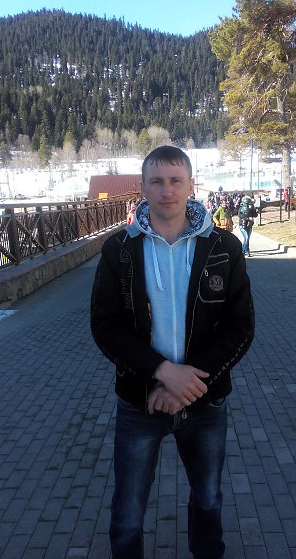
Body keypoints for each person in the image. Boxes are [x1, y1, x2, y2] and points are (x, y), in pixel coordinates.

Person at [91, 146, 255, 559]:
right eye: (157, 181)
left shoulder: (224, 247)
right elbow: (105, 326)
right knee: (128, 513)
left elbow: (240, 325)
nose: (167, 190)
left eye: (176, 180)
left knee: (209, 499)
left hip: (206, 402)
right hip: (140, 401)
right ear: (143, 187)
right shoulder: (119, 250)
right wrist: (162, 372)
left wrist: (189, 382)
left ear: (191, 185)